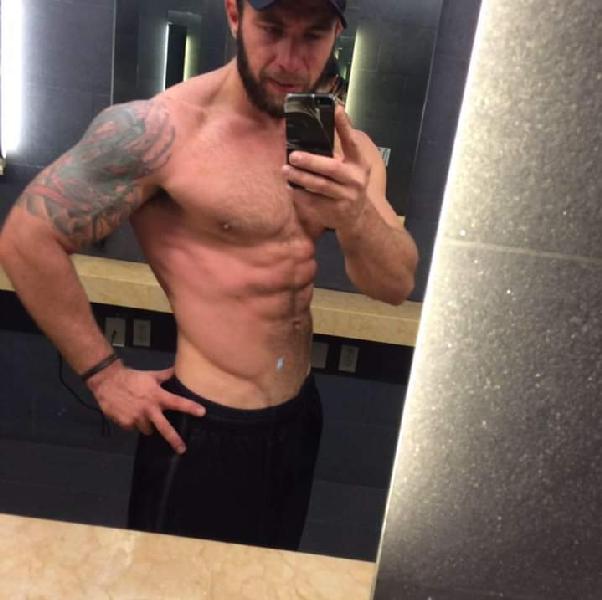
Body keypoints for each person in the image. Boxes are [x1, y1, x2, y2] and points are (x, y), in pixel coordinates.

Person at [0, 0, 418, 550]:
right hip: (204, 426)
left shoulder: (347, 148)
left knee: (267, 575)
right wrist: (104, 376)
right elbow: (26, 239)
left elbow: (393, 286)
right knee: (171, 585)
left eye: (313, 36)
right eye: (272, 29)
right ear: (235, 15)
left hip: (298, 416)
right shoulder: (160, 131)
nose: (289, 59)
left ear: (337, 32)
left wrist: (355, 212)